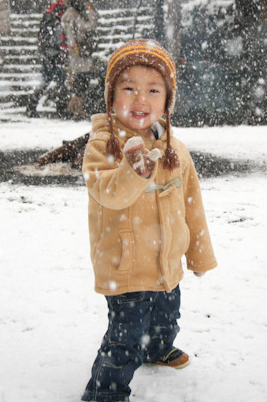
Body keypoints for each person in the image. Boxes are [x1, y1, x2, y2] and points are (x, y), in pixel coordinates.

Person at [81, 38, 217, 402]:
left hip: (166, 262)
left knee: (165, 315)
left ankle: (157, 348)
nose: (141, 100)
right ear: (112, 98)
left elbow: (193, 205)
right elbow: (109, 192)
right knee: (125, 337)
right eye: (129, 88)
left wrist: (199, 256)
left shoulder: (175, 149)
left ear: (166, 101)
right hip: (124, 266)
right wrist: (133, 170)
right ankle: (104, 392)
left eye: (153, 90)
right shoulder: (101, 147)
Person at [26, 0, 69, 118]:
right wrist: (58, 51)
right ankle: (60, 108)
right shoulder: (52, 21)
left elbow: (43, 38)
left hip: (50, 55)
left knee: (49, 81)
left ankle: (32, 105)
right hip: (52, 56)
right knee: (58, 81)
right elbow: (52, 38)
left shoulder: (48, 18)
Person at [61, 0, 98, 118]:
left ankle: (75, 106)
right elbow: (88, 25)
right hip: (79, 54)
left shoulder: (68, 15)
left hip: (75, 53)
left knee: (79, 79)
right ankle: (77, 107)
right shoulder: (73, 15)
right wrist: (90, 12)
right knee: (81, 79)